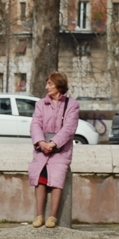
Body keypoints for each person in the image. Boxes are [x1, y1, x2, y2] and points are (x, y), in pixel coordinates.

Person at [29, 71, 80, 228]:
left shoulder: (71, 105)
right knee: (40, 178)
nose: (46, 87)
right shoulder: (40, 104)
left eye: (50, 84)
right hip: (42, 148)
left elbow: (69, 128)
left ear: (59, 85)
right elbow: (35, 124)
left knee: (57, 179)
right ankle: (39, 216)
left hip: (60, 150)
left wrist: (54, 143)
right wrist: (41, 142)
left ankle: (53, 217)